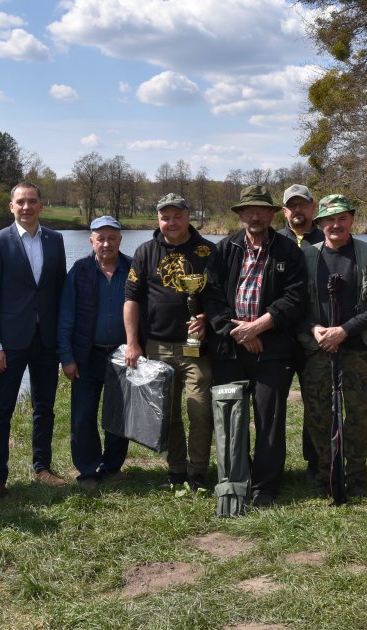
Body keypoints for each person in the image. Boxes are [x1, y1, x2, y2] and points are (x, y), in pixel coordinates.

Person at [203, 185, 308, 507]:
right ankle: (235, 479)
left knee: (270, 418)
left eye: (261, 210)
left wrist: (262, 324)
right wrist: (238, 332)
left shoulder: (288, 251)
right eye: (248, 210)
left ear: (272, 214)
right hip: (230, 348)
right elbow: (212, 295)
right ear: (240, 214)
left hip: (273, 347)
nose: (255, 215)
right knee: (231, 416)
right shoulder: (223, 249)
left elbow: (296, 295)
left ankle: (266, 486)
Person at [0, 182, 68, 497]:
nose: (26, 207)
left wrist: (62, 340)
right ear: (11, 207)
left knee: (44, 407)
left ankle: (42, 467)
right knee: (1, 409)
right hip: (10, 342)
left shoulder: (55, 240)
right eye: (21, 202)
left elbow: (60, 292)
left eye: (32, 201)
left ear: (41, 205)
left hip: (46, 340)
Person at [298, 194, 367, 498]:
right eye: (329, 219)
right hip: (319, 349)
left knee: (361, 414)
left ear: (351, 219)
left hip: (359, 350)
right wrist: (317, 330)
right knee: (318, 413)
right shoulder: (308, 256)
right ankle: (327, 473)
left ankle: (356, 474)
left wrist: (344, 331)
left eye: (342, 218)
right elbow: (296, 304)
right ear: (320, 222)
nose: (335, 224)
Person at [125, 193, 216, 489]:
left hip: (196, 347)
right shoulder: (145, 251)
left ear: (188, 216)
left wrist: (207, 318)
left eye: (177, 216)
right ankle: (176, 470)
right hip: (157, 346)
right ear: (158, 219)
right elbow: (131, 300)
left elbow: (220, 297)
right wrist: (133, 342)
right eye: (165, 217)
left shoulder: (208, 251)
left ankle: (198, 472)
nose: (172, 222)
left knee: (200, 410)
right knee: (167, 413)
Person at [57, 216, 132, 489]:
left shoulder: (133, 268)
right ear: (91, 241)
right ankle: (88, 470)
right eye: (100, 238)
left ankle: (112, 466)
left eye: (112, 238)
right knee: (83, 415)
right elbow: (65, 316)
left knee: (118, 414)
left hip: (123, 355)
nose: (106, 243)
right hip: (87, 355)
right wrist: (67, 357)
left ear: (120, 240)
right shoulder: (80, 270)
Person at [277, 183, 325, 481]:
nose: (297, 210)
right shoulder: (274, 240)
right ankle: (274, 464)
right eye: (291, 205)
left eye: (302, 204)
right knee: (273, 404)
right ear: (284, 211)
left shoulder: (327, 239)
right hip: (280, 335)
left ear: (312, 207)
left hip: (314, 335)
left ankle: (315, 462)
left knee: (316, 402)